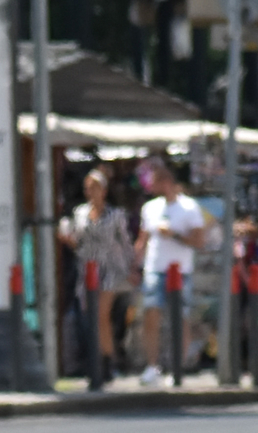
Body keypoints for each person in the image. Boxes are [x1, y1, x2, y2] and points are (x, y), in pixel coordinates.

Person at [58, 166, 135, 388]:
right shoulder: (80, 214)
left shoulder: (116, 215)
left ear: (104, 190)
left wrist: (131, 267)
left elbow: (125, 243)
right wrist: (67, 238)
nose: (90, 192)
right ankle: (102, 359)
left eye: (94, 187)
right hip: (87, 268)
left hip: (109, 268)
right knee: (91, 317)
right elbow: (78, 243)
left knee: (101, 315)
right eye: (87, 188)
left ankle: (105, 362)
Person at [133, 158, 206, 385]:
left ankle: (178, 365)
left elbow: (199, 240)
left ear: (166, 181)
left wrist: (173, 234)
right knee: (151, 313)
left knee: (180, 317)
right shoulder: (150, 208)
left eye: (154, 182)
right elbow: (142, 239)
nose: (151, 187)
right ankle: (152, 366)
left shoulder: (189, 207)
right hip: (155, 267)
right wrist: (134, 264)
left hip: (180, 271)